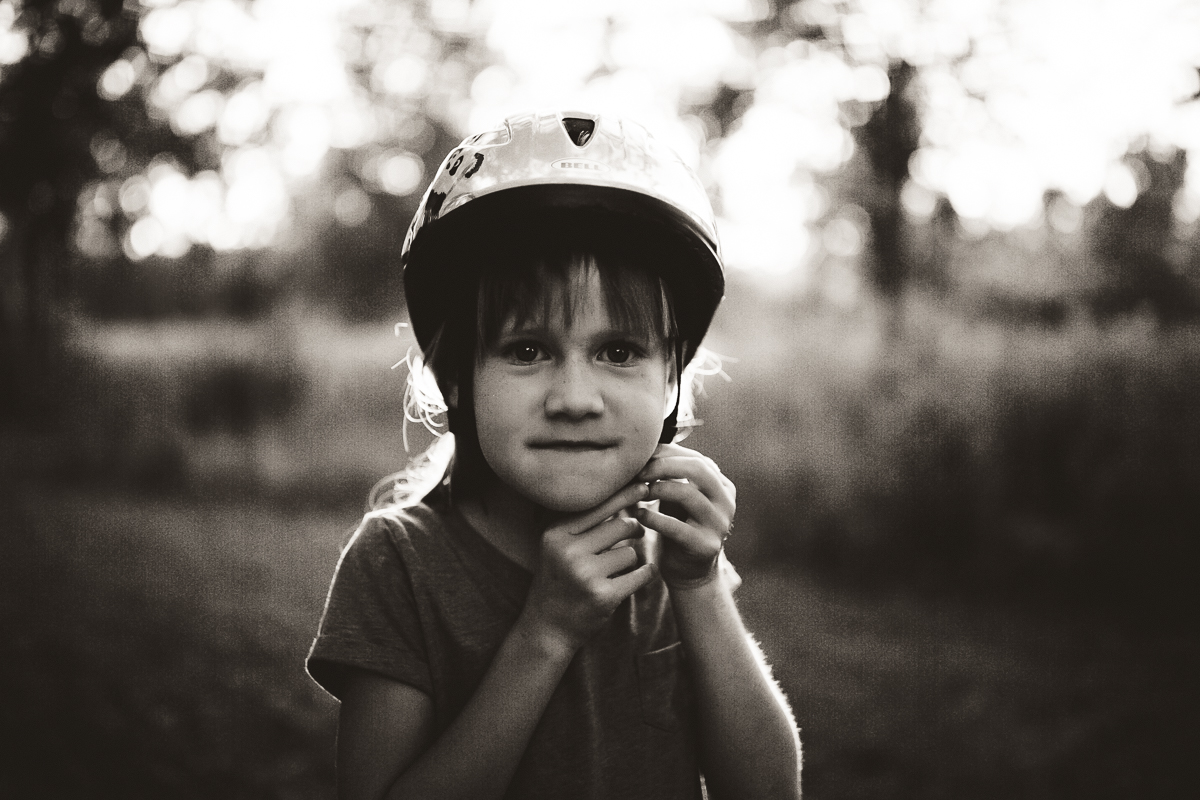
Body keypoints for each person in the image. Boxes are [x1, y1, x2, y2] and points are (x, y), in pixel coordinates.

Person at [307, 111, 802, 800]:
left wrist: (699, 584)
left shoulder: (673, 550)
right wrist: (545, 632)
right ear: (457, 378)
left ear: (671, 382)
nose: (575, 398)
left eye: (619, 352)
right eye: (528, 350)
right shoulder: (399, 562)